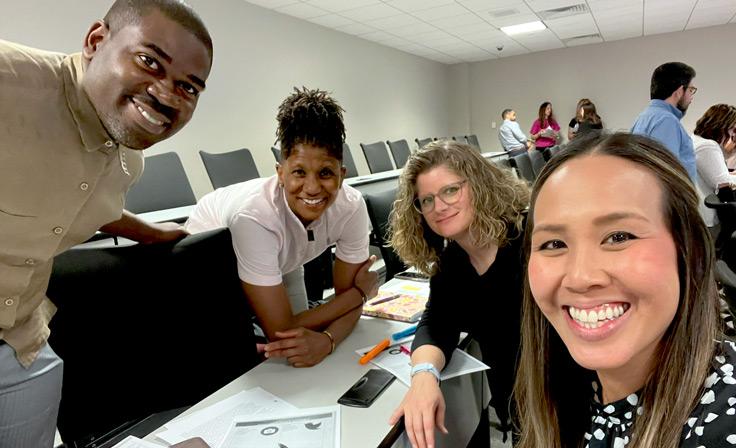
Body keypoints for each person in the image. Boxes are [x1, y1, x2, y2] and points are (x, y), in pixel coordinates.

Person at [0, 1, 212, 446]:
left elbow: (95, 206)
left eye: (189, 87)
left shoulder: (127, 159)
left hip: (22, 346)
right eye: (150, 61)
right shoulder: (9, 79)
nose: (167, 94)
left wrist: (155, 234)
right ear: (97, 42)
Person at [515, 132, 735, 448]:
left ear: (690, 252)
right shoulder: (561, 385)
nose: (580, 277)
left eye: (619, 237)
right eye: (554, 243)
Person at [185, 87, 378, 368]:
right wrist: (360, 293)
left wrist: (327, 340)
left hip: (284, 262)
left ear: (342, 175)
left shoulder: (351, 205)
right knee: (243, 359)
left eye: (325, 173)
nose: (312, 188)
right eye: (299, 172)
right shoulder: (254, 216)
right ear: (280, 173)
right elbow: (282, 330)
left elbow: (343, 307)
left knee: (300, 347)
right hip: (210, 273)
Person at [387, 140, 530, 448]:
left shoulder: (531, 241)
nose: (438, 207)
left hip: (573, 406)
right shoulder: (453, 261)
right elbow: (437, 322)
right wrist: (424, 375)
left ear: (479, 184)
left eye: (451, 190)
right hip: (519, 408)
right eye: (426, 200)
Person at [632, 62, 698, 181]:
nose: (691, 96)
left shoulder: (644, 117)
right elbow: (666, 176)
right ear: (678, 92)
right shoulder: (666, 121)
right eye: (691, 89)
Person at [692, 104, 736, 227]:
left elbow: (715, 172)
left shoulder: (697, 140)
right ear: (722, 126)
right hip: (708, 214)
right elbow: (722, 182)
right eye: (733, 129)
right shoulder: (708, 146)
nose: (733, 135)